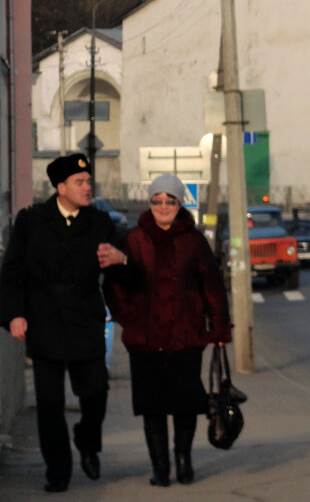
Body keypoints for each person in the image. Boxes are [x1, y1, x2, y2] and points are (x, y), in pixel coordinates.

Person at [0, 153, 128, 493]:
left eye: (88, 182)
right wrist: (15, 314)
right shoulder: (31, 221)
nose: (88, 187)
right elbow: (13, 272)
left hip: (85, 317)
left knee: (96, 390)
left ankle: (87, 439)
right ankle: (58, 470)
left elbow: (127, 263)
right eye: (80, 183)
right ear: (61, 187)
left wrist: (121, 259)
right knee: (50, 403)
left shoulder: (100, 222)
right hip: (45, 319)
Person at [105, 174, 231, 486]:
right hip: (144, 340)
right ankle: (160, 468)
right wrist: (130, 319)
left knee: (185, 404)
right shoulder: (134, 239)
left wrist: (218, 331)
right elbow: (114, 287)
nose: (163, 207)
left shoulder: (193, 240)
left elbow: (212, 288)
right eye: (157, 200)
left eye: (169, 201)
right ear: (150, 203)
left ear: (179, 204)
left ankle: (184, 462)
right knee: (152, 407)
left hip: (185, 337)